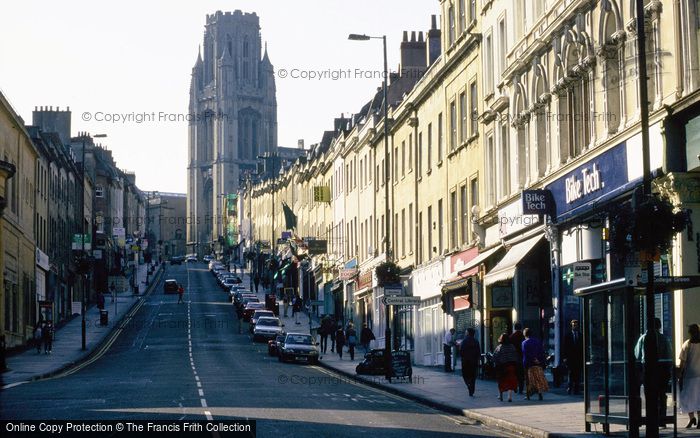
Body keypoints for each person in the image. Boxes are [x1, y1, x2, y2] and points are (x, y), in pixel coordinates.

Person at [634, 317, 673, 421]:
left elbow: (637, 354)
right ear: (659, 326)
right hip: (661, 370)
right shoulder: (664, 339)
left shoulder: (642, 338)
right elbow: (669, 354)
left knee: (649, 394)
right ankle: (662, 418)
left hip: (646, 369)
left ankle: (651, 416)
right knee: (661, 394)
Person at [679, 323, 700, 429]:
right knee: (699, 398)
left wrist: (680, 374)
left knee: (688, 398)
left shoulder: (687, 344)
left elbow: (682, 362)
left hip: (689, 375)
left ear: (690, 332)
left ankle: (691, 418)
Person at [522, 328, 548, 400]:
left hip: (529, 364)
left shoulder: (524, 343)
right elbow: (541, 351)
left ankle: (528, 395)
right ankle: (540, 394)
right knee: (538, 379)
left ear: (524, 334)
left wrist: (532, 359)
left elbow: (526, 354)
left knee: (528, 380)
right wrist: (539, 360)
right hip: (538, 363)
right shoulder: (538, 341)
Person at [493, 333, 519, 402]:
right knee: (510, 381)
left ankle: (501, 396)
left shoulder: (499, 347)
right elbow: (515, 356)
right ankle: (509, 396)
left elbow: (495, 357)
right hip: (511, 366)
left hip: (502, 367)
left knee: (501, 381)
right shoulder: (512, 346)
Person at [563, 319, 583, 395]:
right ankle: (570, 388)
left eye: (576, 325)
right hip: (570, 358)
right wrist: (565, 357)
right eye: (573, 325)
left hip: (578, 358)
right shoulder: (567, 336)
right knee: (571, 374)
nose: (575, 326)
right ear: (571, 326)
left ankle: (576, 389)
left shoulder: (581, 335)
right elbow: (565, 347)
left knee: (577, 374)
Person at [460, 327, 481, 397]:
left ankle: (468, 384)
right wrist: (478, 360)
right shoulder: (476, 341)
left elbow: (461, 351)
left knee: (465, 375)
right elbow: (478, 351)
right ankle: (472, 389)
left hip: (465, 361)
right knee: (473, 376)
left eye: (466, 332)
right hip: (474, 361)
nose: (465, 333)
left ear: (468, 333)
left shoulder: (464, 341)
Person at [509, 322, 526, 394]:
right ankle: (521, 388)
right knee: (521, 374)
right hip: (522, 357)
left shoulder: (511, 337)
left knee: (514, 373)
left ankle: (515, 387)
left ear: (514, 328)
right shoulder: (523, 336)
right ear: (521, 328)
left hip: (514, 357)